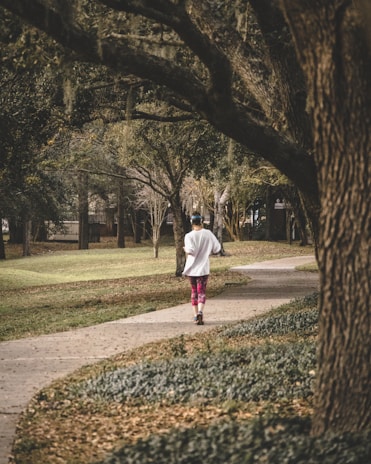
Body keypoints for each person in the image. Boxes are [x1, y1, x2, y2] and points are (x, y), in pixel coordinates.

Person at [182, 212, 221, 325]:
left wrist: (185, 250)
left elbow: (191, 250)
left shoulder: (188, 236)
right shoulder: (208, 234)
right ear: (202, 221)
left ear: (191, 222)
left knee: (194, 291)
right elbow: (217, 248)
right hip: (203, 268)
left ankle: (195, 315)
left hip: (192, 268)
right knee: (202, 291)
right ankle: (200, 311)